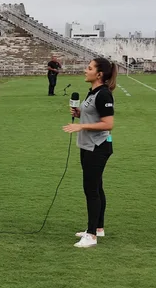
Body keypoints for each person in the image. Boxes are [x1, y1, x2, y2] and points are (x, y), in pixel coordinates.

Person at [63, 58, 117, 248]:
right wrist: (80, 114)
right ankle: (98, 228)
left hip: (98, 147)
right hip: (88, 146)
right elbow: (93, 115)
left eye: (89, 68)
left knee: (91, 190)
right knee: (96, 187)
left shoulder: (103, 94)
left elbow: (108, 124)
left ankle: (91, 235)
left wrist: (81, 125)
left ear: (99, 74)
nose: (85, 71)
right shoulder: (92, 92)